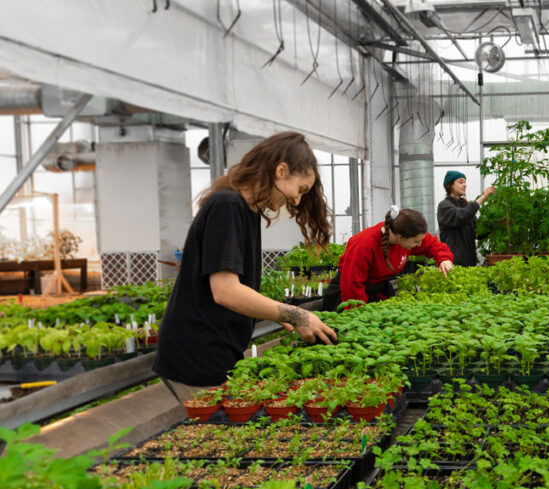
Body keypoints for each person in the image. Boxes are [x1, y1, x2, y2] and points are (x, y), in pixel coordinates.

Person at [155, 132, 338, 404]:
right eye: (300, 189)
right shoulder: (227, 206)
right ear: (281, 171)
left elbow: (236, 289)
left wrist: (278, 313)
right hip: (198, 353)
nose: (297, 201)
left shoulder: (247, 211)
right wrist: (296, 314)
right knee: (216, 439)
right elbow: (225, 292)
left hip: (215, 349)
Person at [321, 208, 455, 311]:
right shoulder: (363, 245)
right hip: (349, 295)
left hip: (376, 290)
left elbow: (432, 245)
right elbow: (352, 286)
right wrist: (360, 315)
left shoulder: (405, 237)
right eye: (416, 242)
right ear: (401, 237)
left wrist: (443, 259)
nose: (419, 245)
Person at [436, 170, 496, 267]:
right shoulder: (444, 206)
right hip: (452, 263)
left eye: (465, 182)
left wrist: (495, 223)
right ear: (451, 185)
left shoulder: (465, 206)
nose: (465, 185)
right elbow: (460, 216)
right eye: (460, 182)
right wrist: (483, 197)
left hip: (469, 262)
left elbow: (478, 233)